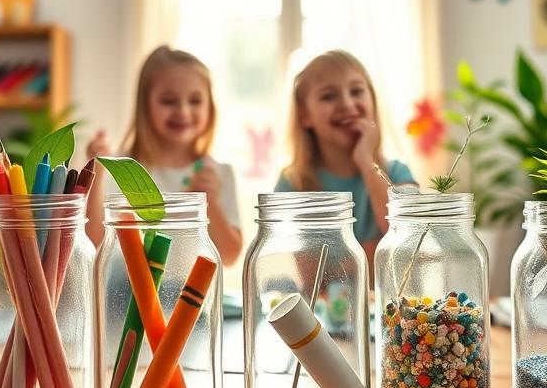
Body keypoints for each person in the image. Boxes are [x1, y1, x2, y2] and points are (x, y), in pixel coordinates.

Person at [84, 45, 243, 266]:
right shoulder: (120, 170)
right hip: (128, 297)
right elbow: (95, 245)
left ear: (210, 107)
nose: (183, 112)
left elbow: (229, 256)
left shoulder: (218, 173)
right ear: (144, 105)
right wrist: (96, 176)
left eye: (195, 101)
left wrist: (210, 203)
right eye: (168, 101)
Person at [275, 50, 413, 267]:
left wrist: (367, 162)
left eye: (356, 91)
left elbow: (407, 237)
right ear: (304, 115)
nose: (347, 104)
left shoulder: (397, 173)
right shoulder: (293, 185)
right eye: (328, 96)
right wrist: (370, 253)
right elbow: (310, 275)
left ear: (373, 101)